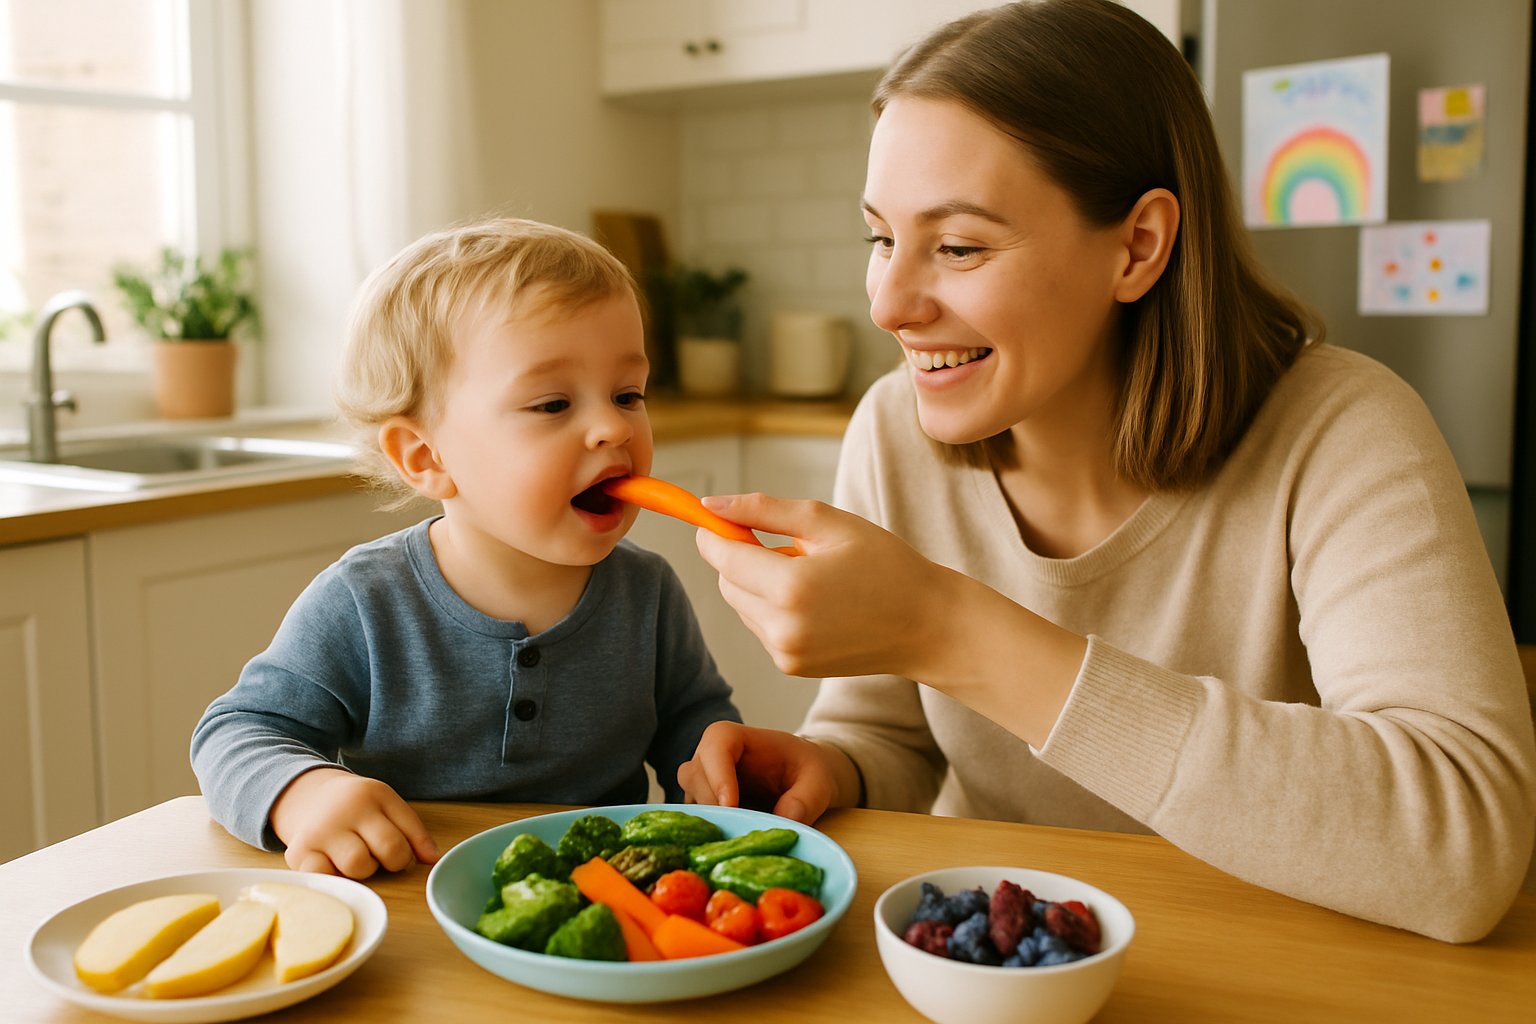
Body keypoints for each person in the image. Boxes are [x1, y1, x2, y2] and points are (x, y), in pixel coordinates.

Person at [678, 0, 1536, 943]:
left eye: (958, 246)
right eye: (882, 238)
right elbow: (892, 734)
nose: (889, 302)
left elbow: (1466, 849)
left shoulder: (1342, 433)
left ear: (1138, 246)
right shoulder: (892, 426)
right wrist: (826, 766)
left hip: (1269, 965)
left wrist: (949, 627)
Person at [193, 218, 740, 878]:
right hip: (415, 906)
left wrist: (718, 759)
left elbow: (695, 726)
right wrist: (303, 794)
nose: (612, 427)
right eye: (552, 403)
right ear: (427, 457)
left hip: (603, 912)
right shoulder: (365, 603)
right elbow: (236, 733)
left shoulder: (648, 593)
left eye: (628, 394)